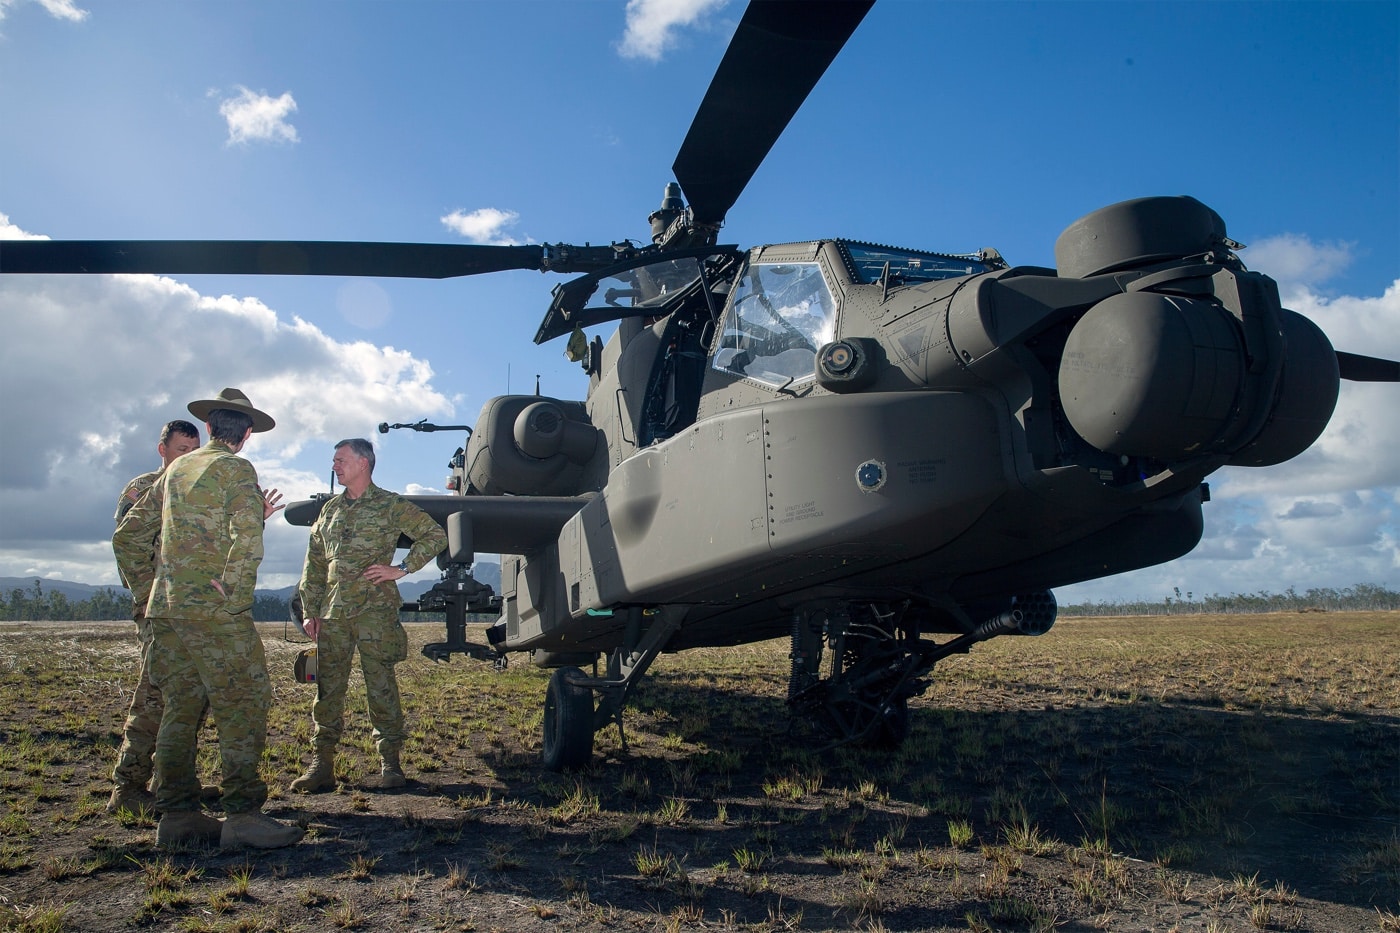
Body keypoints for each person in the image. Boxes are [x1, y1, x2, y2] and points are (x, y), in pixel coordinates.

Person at [114, 388, 302, 850]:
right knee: (245, 702)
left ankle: (176, 816)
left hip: (167, 611)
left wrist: (150, 590)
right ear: (248, 433)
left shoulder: (177, 468)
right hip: (214, 612)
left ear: (212, 428)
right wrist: (233, 590)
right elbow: (247, 537)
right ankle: (241, 817)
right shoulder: (237, 469)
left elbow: (128, 536)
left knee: (180, 706)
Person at [291, 437, 446, 793]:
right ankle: (321, 765)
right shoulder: (329, 511)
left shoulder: (390, 505)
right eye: (334, 460)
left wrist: (401, 568)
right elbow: (314, 565)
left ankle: (390, 764)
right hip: (332, 614)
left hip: (374, 611)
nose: (335, 465)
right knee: (327, 690)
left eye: (341, 459)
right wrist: (309, 611)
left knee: (380, 686)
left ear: (363, 463)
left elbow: (434, 535)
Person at [107, 419, 205, 815]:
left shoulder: (197, 489)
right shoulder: (144, 489)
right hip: (158, 611)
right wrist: (150, 597)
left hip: (191, 610)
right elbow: (127, 544)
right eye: (183, 450)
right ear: (162, 449)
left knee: (193, 697)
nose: (190, 457)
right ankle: (128, 788)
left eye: (195, 451)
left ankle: (173, 781)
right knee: (154, 696)